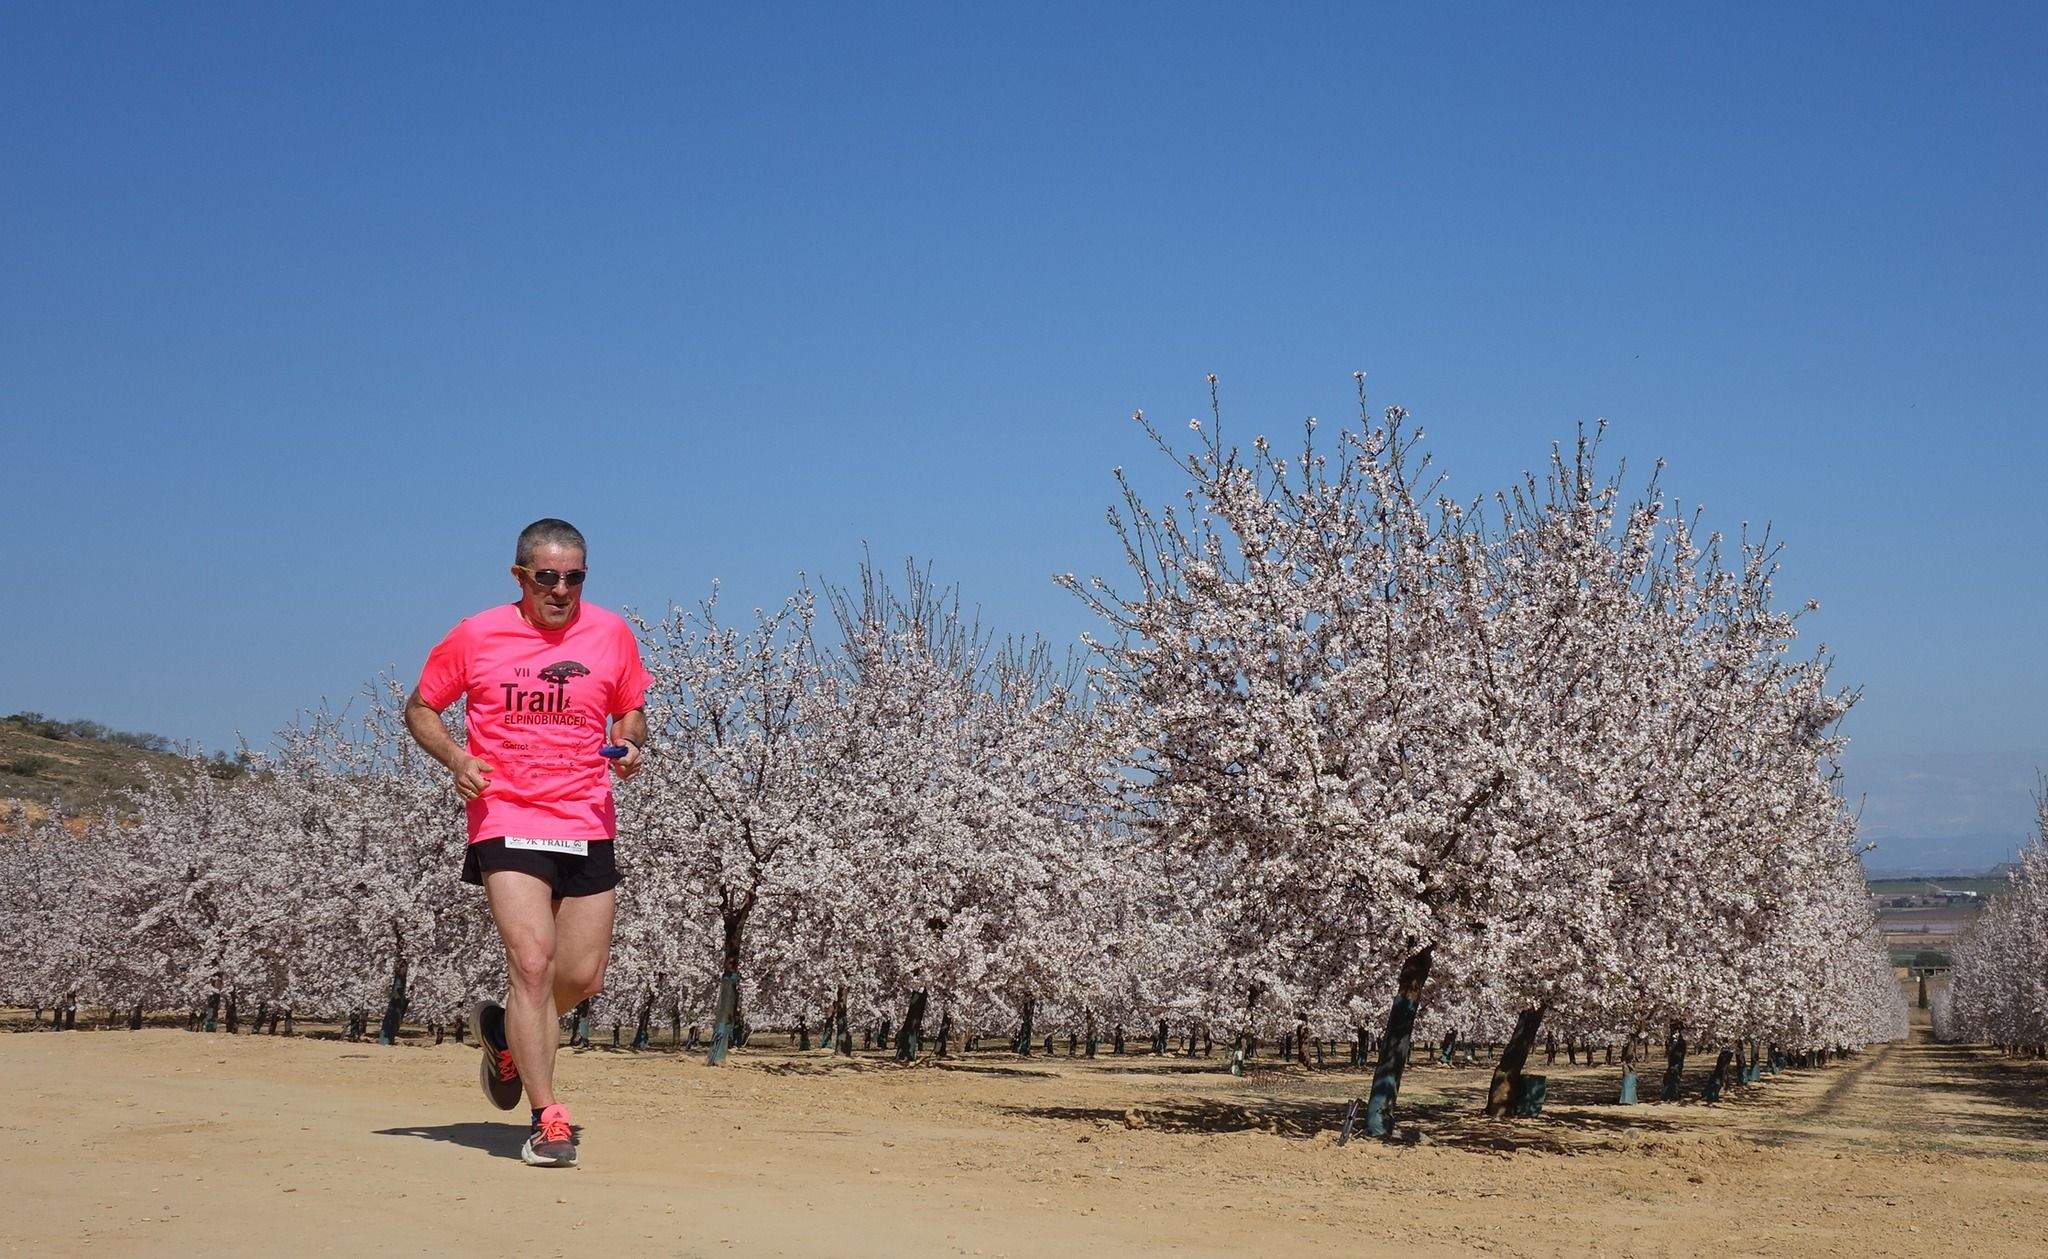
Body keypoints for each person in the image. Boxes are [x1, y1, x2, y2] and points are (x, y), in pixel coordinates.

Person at [405, 517, 650, 1168]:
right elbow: (420, 707)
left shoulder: (611, 633)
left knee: (580, 975)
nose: (561, 589)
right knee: (534, 964)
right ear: (520, 577)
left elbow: (632, 709)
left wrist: (630, 742)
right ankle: (548, 1118)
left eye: (574, 577)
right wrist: (456, 757)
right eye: (547, 576)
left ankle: (506, 1037)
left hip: (586, 817)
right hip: (506, 812)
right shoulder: (477, 634)